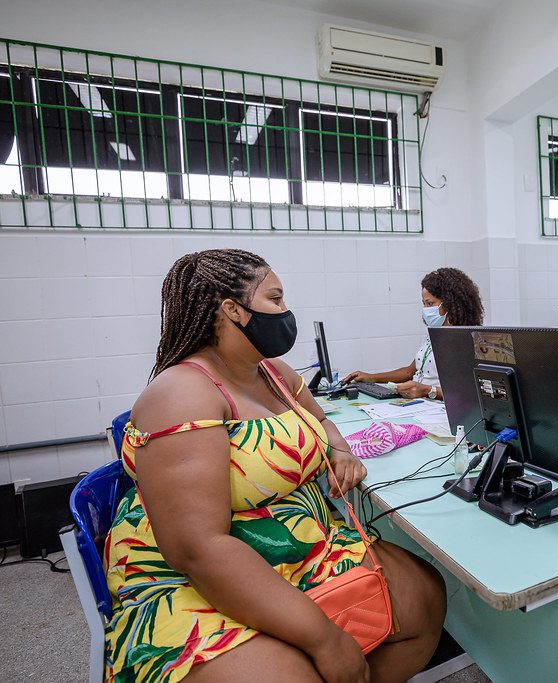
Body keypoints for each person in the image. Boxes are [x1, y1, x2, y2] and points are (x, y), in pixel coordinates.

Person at [105, 249, 446, 683]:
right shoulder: (181, 394)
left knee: (425, 599)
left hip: (300, 545)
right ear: (233, 311)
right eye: (276, 299)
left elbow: (320, 418)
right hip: (204, 573)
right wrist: (324, 639)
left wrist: (339, 450)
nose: (286, 311)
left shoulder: (271, 372)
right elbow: (197, 548)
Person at [342, 267, 484, 400]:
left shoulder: (466, 339)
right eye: (424, 304)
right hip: (420, 404)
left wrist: (428, 391)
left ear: (451, 303)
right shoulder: (435, 333)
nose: (426, 309)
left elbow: (469, 391)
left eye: (430, 303)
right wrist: (371, 377)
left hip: (441, 408)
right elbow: (409, 372)